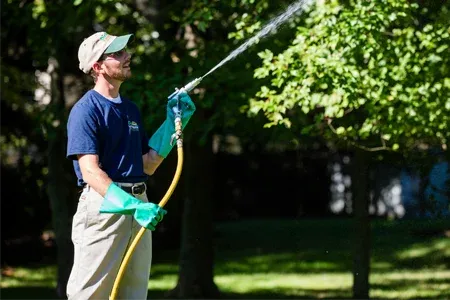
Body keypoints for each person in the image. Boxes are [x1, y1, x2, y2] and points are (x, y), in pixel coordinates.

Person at [66, 31, 196, 300]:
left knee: (133, 295)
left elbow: (147, 165)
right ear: (98, 67)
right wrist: (133, 206)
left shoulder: (129, 109)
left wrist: (174, 123)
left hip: (138, 202)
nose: (128, 56)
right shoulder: (86, 110)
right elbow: (90, 171)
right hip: (105, 208)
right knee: (90, 295)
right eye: (118, 53)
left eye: (125, 51)